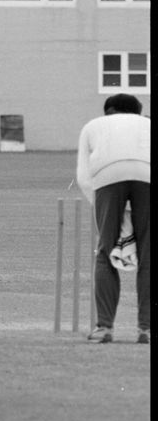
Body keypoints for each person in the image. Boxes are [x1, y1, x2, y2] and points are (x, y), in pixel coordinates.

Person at [76, 93, 150, 344]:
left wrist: (105, 209)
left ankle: (104, 327)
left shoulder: (93, 125)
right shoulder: (147, 124)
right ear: (137, 112)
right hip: (148, 174)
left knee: (105, 252)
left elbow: (84, 176)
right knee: (149, 256)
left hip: (107, 176)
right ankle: (147, 329)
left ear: (108, 111)